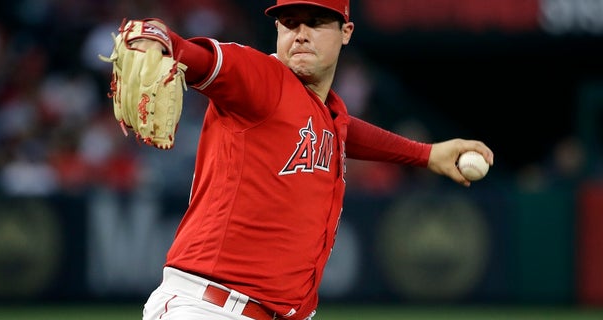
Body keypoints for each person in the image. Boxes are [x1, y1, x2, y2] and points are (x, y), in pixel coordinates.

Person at [129, 0, 494, 319]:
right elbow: (205, 61)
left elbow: (348, 131)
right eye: (290, 23)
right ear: (276, 30)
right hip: (208, 309)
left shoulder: (326, 112)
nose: (300, 34)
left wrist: (426, 154)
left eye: (316, 23)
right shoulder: (262, 79)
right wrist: (163, 41)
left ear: (346, 31)